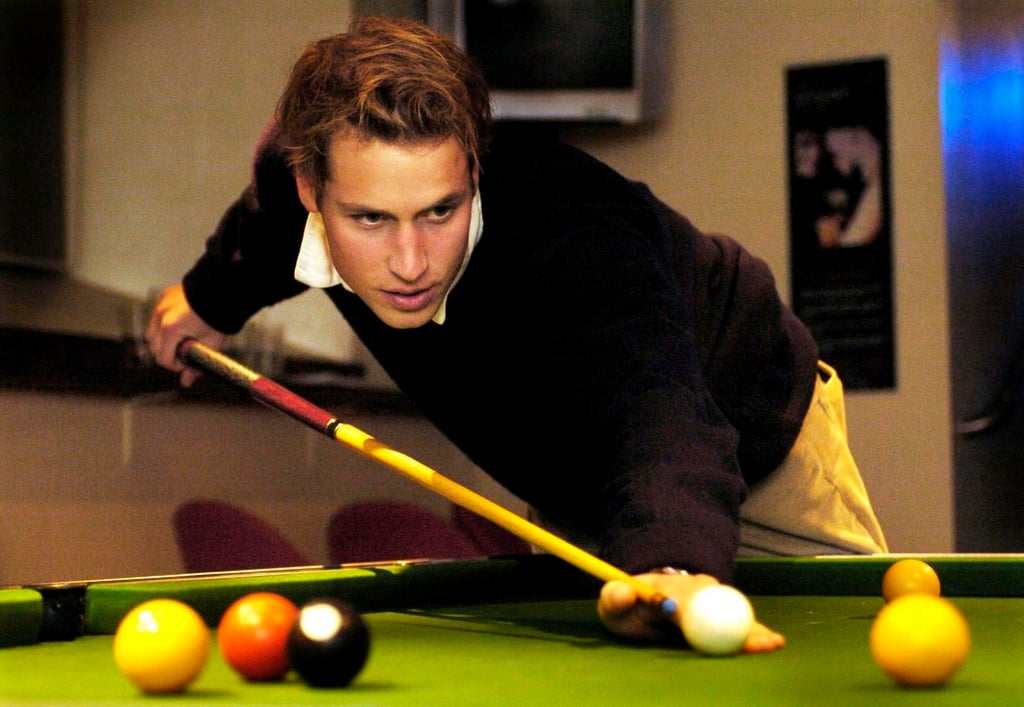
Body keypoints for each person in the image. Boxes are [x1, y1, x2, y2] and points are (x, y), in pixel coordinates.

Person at [147, 16, 887, 653]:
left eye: (440, 211)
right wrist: (205, 300)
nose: (410, 263)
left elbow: (659, 414)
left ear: (472, 170)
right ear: (313, 191)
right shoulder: (290, 186)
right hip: (574, 476)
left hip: (750, 430)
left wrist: (670, 566)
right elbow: (263, 232)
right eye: (371, 219)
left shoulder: (575, 233)